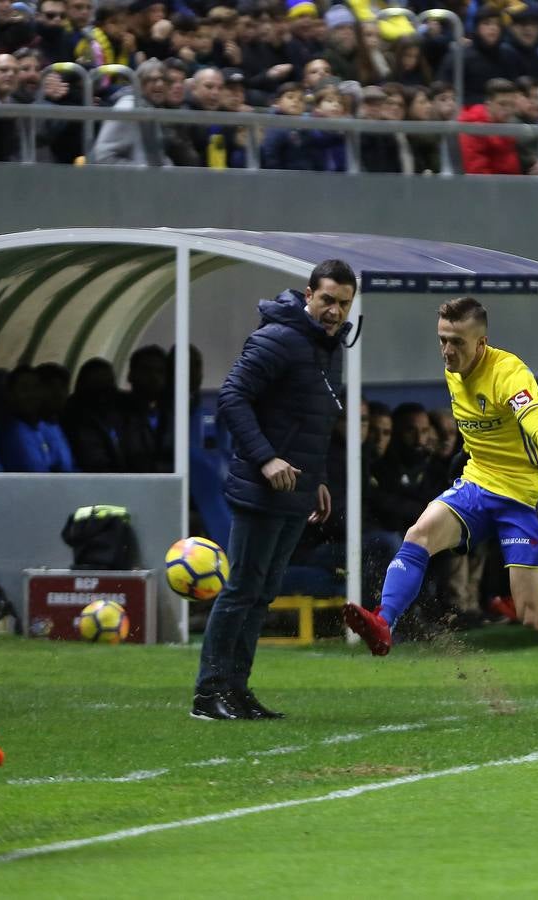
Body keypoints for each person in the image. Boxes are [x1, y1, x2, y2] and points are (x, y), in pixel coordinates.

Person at [342, 297, 538, 707]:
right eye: (442, 340)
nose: (447, 351)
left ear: (482, 343)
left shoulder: (509, 374)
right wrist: (466, 452)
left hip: (523, 497)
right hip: (478, 483)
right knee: (419, 533)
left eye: (457, 342)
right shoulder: (453, 369)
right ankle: (384, 623)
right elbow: (482, 427)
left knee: (534, 614)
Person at [192, 259, 356, 721]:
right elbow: (231, 396)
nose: (334, 311)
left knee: (262, 591)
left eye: (343, 304)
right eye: (327, 300)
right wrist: (266, 459)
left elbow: (313, 418)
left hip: (297, 489)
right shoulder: (279, 338)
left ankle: (236, 689)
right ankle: (209, 693)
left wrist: (318, 476)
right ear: (308, 295)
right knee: (243, 587)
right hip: (262, 486)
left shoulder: (326, 346)